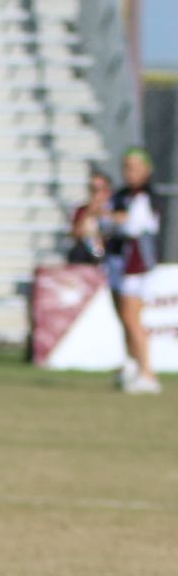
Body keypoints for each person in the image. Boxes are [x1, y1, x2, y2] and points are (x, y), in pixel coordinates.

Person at [103, 147, 161, 394]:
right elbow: (106, 224)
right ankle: (131, 366)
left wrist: (113, 219)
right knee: (123, 319)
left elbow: (133, 227)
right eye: (126, 167)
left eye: (135, 167)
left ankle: (147, 373)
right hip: (117, 263)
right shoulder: (121, 196)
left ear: (146, 170)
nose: (130, 172)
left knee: (131, 318)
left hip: (135, 266)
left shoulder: (145, 196)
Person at [66, 168, 112, 265]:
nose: (95, 195)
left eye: (99, 190)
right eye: (92, 189)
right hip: (87, 259)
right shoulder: (82, 210)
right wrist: (88, 214)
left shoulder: (114, 208)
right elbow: (75, 235)